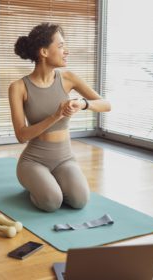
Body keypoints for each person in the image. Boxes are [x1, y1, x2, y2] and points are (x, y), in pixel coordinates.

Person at [9, 23, 111, 212]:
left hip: (65, 158)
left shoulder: (69, 78)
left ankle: (51, 182)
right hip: (33, 161)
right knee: (51, 203)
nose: (66, 51)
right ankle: (36, 185)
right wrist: (56, 115)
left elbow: (106, 105)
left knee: (80, 201)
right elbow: (21, 135)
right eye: (61, 46)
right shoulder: (18, 88)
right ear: (44, 52)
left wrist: (83, 103)